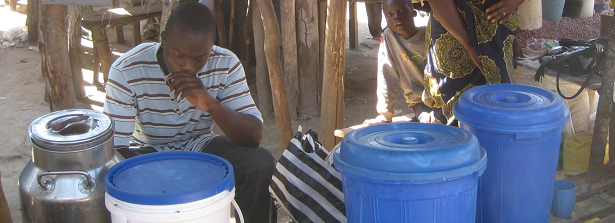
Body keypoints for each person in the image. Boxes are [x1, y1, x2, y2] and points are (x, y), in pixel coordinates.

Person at [102, 2, 275, 222]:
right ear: (163, 40)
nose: (187, 66)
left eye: (198, 59)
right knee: (104, 177)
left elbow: (254, 136)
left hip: (199, 145)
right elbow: (115, 149)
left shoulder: (226, 64)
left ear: (211, 48)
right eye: (178, 55)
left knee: (260, 164)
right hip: (146, 151)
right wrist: (169, 172)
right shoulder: (127, 70)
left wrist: (211, 104)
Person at [423, 0, 524, 125]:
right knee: (455, 115)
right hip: (456, 32)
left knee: (499, 111)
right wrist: (470, 46)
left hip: (499, 36)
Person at [365, 0, 432, 125]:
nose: (396, 16)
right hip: (420, 102)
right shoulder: (390, 37)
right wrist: (385, 114)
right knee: (429, 122)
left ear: (414, 13)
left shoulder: (430, 34)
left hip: (442, 98)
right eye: (390, 14)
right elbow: (387, 74)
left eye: (402, 10)